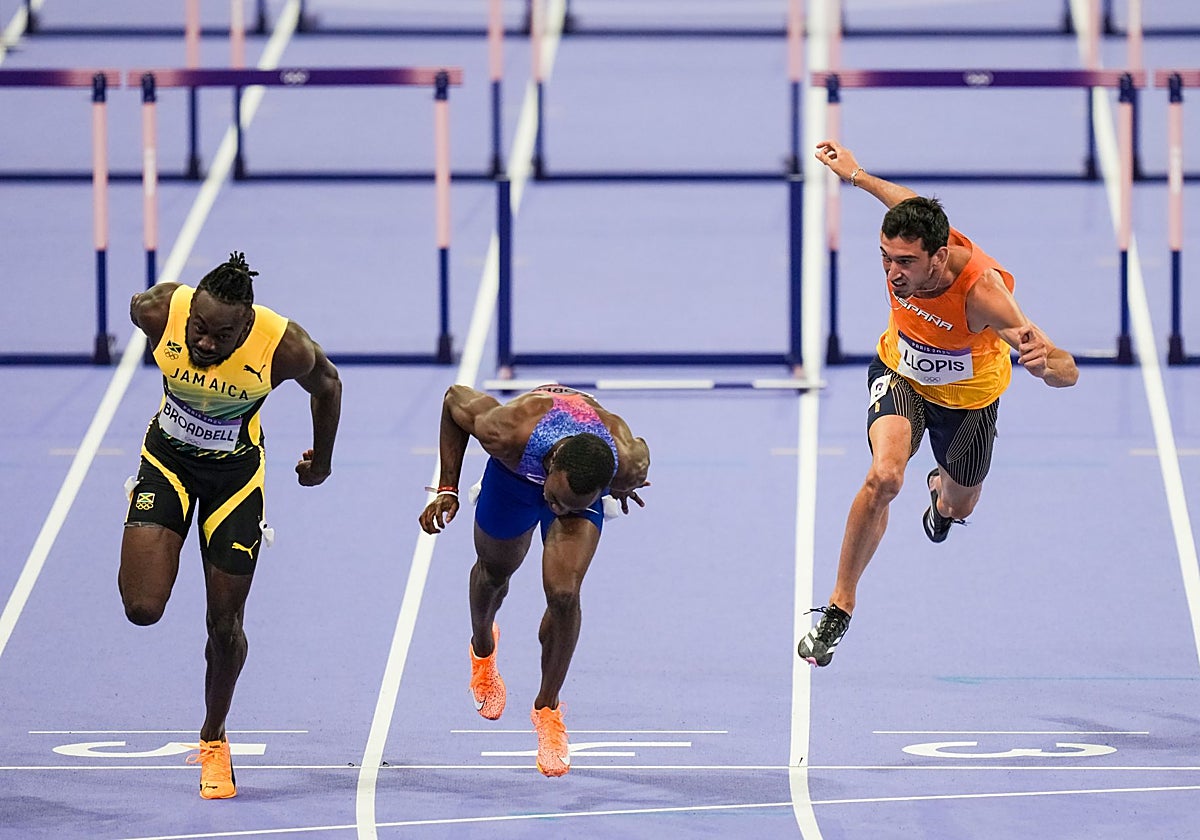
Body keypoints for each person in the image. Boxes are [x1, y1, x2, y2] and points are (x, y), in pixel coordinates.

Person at [798, 140, 1079, 668]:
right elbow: (899, 200)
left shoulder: (985, 294)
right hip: (901, 373)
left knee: (959, 504)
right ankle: (838, 607)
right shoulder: (915, 237)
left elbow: (1068, 370)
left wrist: (1048, 364)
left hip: (970, 402)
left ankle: (941, 495)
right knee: (883, 478)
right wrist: (855, 174)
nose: (892, 273)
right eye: (885, 258)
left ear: (940, 256)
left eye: (905, 262)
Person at [120, 252, 342, 798]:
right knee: (142, 609)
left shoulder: (283, 345)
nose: (206, 343)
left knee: (224, 625)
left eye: (222, 334)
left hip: (234, 481)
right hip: (166, 462)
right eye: (199, 328)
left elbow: (329, 385)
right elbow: (140, 305)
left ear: (247, 322)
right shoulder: (157, 312)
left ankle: (214, 738)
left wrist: (323, 461)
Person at [418, 384, 650, 777]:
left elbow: (630, 469)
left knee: (564, 594)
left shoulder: (626, 461)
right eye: (555, 499)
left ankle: (548, 709)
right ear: (554, 465)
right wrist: (447, 488)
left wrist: (620, 487)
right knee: (493, 573)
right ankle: (483, 649)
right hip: (515, 477)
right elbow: (452, 399)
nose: (555, 509)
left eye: (566, 507)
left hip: (579, 478)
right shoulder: (507, 431)